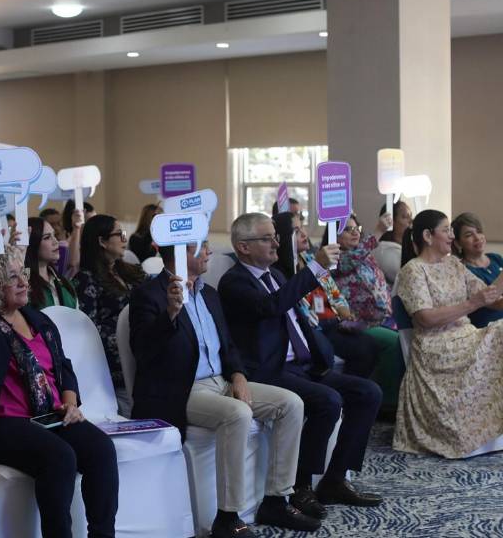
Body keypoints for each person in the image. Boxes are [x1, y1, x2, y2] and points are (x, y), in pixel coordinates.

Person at [130, 241, 318, 536]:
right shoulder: (149, 295)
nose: (209, 252)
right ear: (181, 252)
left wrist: (239, 375)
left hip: (222, 381)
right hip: (180, 388)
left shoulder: (209, 292)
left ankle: (276, 499)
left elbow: (227, 346)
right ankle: (228, 518)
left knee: (291, 403)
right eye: (201, 247)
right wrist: (170, 314)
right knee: (237, 414)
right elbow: (143, 351)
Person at [0, 226, 118, 538]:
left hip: (48, 415)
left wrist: (70, 402)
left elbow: (64, 369)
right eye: (12, 277)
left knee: (101, 449)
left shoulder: (38, 319)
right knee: (60, 457)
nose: (24, 281)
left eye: (22, 272)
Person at [219, 212, 383, 516]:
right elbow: (271, 306)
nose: (275, 243)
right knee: (328, 401)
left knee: (368, 392)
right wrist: (316, 266)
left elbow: (303, 316)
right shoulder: (233, 283)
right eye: (267, 238)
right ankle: (301, 486)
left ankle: (334, 478)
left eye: (276, 237)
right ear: (243, 247)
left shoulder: (277, 276)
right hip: (269, 371)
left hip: (305, 366)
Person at [394, 210, 503, 457]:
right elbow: (425, 318)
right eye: (446, 230)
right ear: (427, 236)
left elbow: (489, 296)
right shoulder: (413, 271)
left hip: (465, 337)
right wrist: (471, 304)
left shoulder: (453, 264)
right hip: (437, 347)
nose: (451, 237)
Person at [277, 213, 404, 411]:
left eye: (302, 227)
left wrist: (343, 308)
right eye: (296, 230)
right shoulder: (291, 266)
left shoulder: (308, 257)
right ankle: (350, 401)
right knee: (359, 348)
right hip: (313, 326)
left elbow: (332, 290)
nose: (304, 233)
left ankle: (356, 400)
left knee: (366, 345)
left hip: (331, 321)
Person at [74, 214, 145, 415]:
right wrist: (130, 337)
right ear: (102, 241)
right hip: (117, 363)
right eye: (119, 234)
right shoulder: (86, 280)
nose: (125, 239)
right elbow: (91, 329)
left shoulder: (130, 271)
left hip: (141, 351)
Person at [328, 214, 396, 330]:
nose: (355, 233)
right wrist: (379, 230)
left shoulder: (366, 255)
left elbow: (381, 284)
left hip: (386, 320)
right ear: (335, 235)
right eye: (348, 230)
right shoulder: (334, 260)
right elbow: (357, 255)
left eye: (356, 228)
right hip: (362, 325)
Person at [451, 212, 503, 328]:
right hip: (488, 330)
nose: (477, 238)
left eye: (479, 231)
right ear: (458, 243)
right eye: (469, 235)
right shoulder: (461, 270)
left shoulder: (496, 258)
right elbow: (497, 303)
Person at [25, 216, 78, 310]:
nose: (55, 241)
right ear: (32, 243)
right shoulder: (24, 284)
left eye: (54, 235)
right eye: (47, 237)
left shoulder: (64, 283)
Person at [373, 200, 413, 286]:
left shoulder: (405, 247)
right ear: (390, 221)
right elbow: (410, 281)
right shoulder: (385, 250)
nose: (411, 220)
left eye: (411, 216)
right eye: (405, 217)